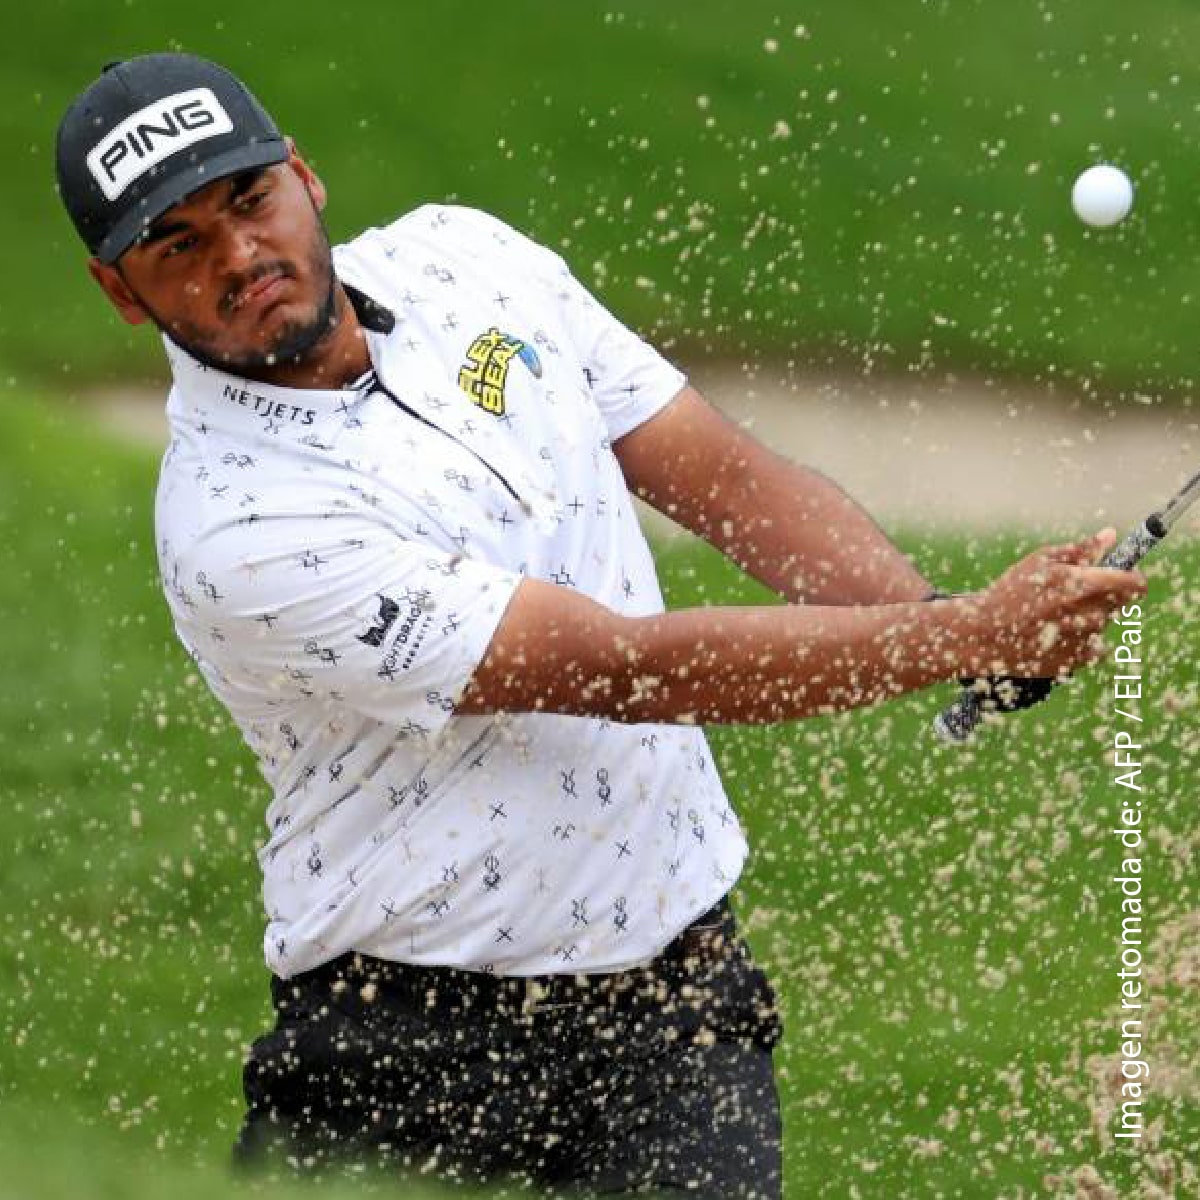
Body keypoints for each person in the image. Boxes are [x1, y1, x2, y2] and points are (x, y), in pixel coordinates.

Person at [55, 52, 1145, 1199]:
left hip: (678, 1002)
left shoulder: (468, 259)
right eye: (178, 245)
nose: (239, 256)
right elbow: (627, 671)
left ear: (304, 177)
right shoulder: (240, 526)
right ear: (122, 292)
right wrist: (961, 639)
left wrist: (927, 617)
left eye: (249, 200)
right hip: (409, 1046)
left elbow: (725, 479)